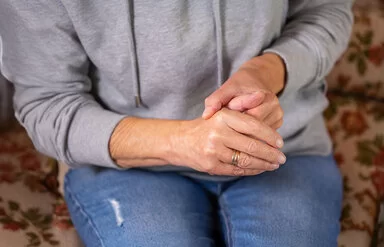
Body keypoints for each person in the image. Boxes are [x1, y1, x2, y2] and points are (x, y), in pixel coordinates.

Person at [0, 1, 353, 246]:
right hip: (127, 167)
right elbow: (47, 103)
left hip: (284, 148)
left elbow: (325, 12)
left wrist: (265, 73)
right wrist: (182, 141)